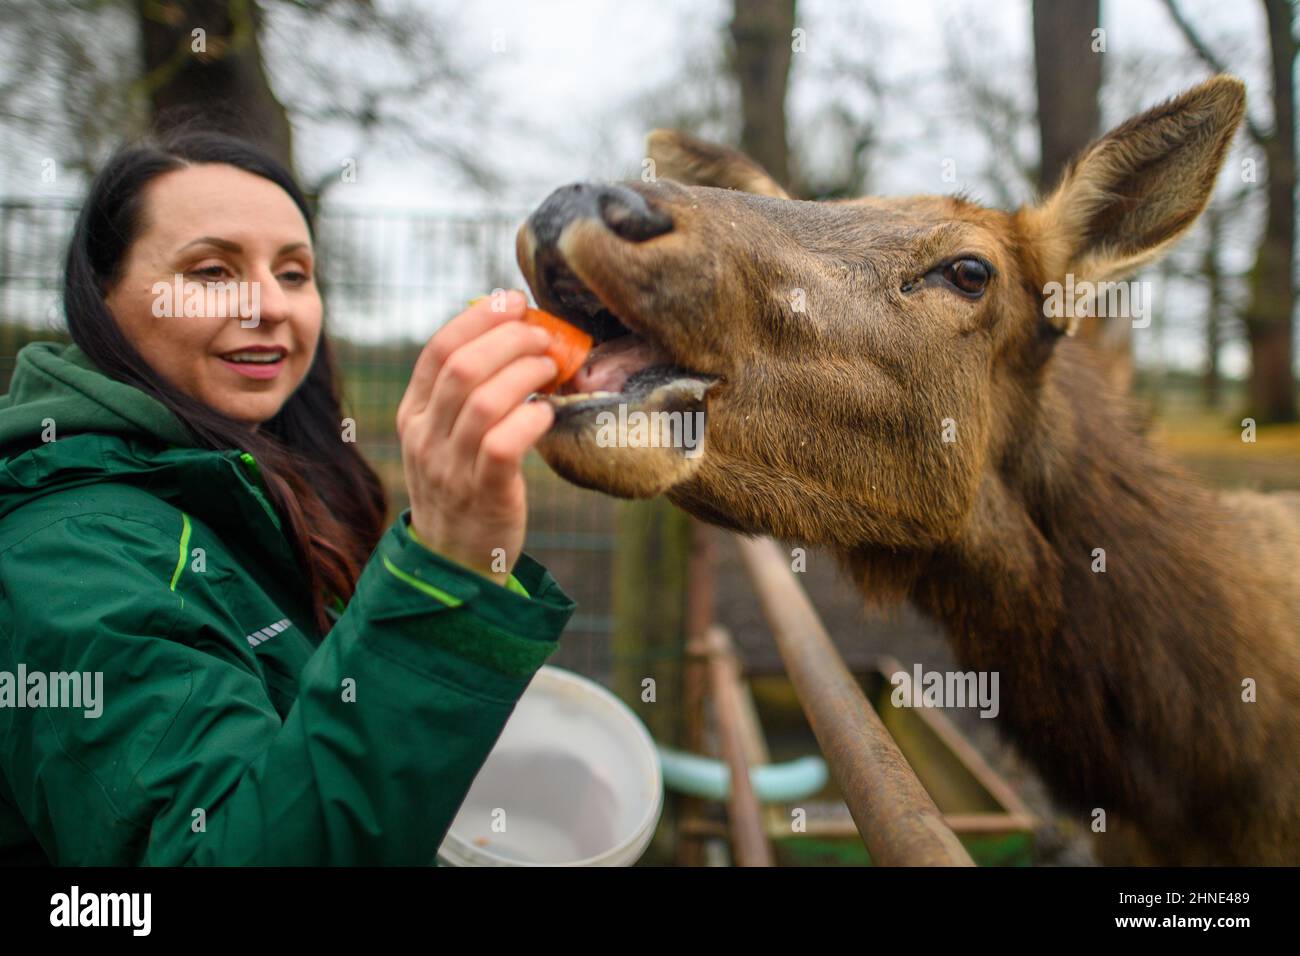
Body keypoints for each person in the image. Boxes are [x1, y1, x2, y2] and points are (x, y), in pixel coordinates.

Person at [0, 129, 575, 865]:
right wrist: (445, 571)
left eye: (296, 273)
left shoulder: (264, 478)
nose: (271, 305)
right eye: (212, 271)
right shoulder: (67, 550)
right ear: (101, 298)